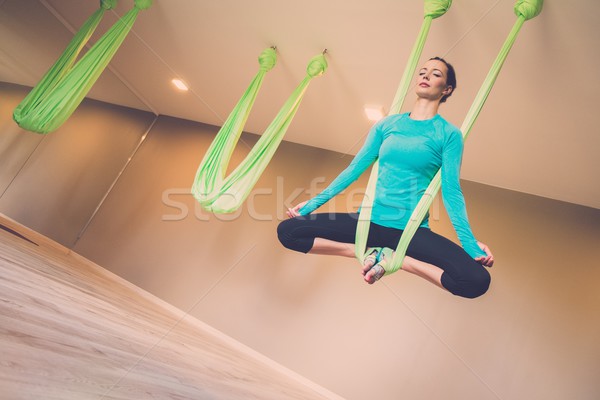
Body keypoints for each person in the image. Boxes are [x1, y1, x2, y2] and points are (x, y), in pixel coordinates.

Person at [277, 57, 494, 299]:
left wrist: (470, 243)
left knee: (477, 281)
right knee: (288, 231)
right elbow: (353, 169)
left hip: (410, 232)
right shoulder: (387, 125)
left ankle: (398, 260)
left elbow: (452, 191)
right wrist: (311, 204)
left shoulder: (449, 135)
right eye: (422, 72)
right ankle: (359, 251)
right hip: (367, 222)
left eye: (435, 74)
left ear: (447, 89)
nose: (425, 76)